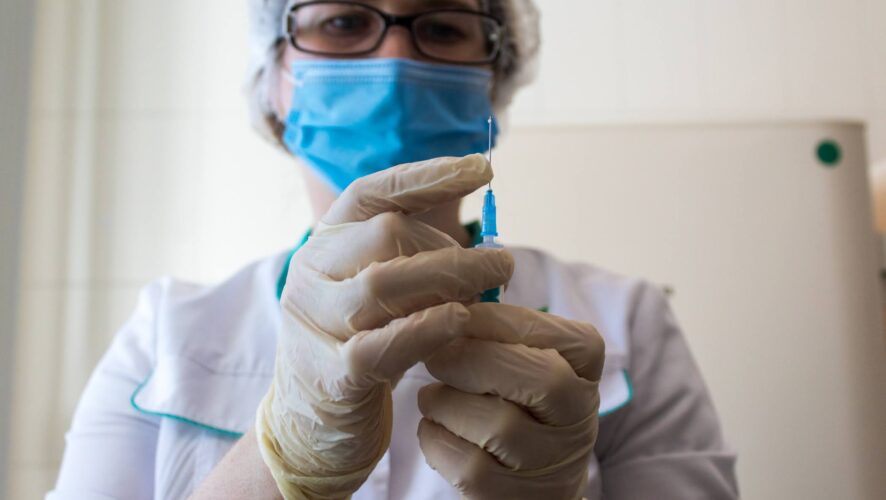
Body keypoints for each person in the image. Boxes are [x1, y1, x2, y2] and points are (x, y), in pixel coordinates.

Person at [48, 1, 739, 499]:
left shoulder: (625, 322)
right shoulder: (166, 335)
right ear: (275, 80)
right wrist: (278, 461)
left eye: (442, 26)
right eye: (343, 21)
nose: (396, 60)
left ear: (495, 81)